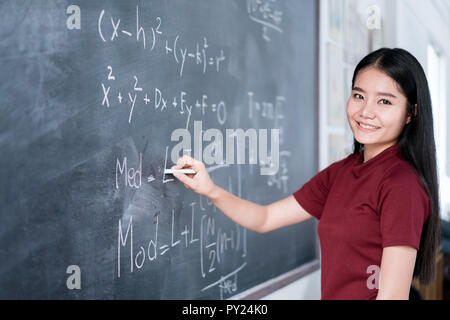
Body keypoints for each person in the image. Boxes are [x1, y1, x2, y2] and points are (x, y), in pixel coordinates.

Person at [171, 48, 441, 300]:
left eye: (384, 101)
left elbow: (392, 297)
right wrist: (210, 189)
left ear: (410, 113)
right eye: (359, 96)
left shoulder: (401, 184)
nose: (366, 111)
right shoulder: (342, 172)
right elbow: (265, 218)